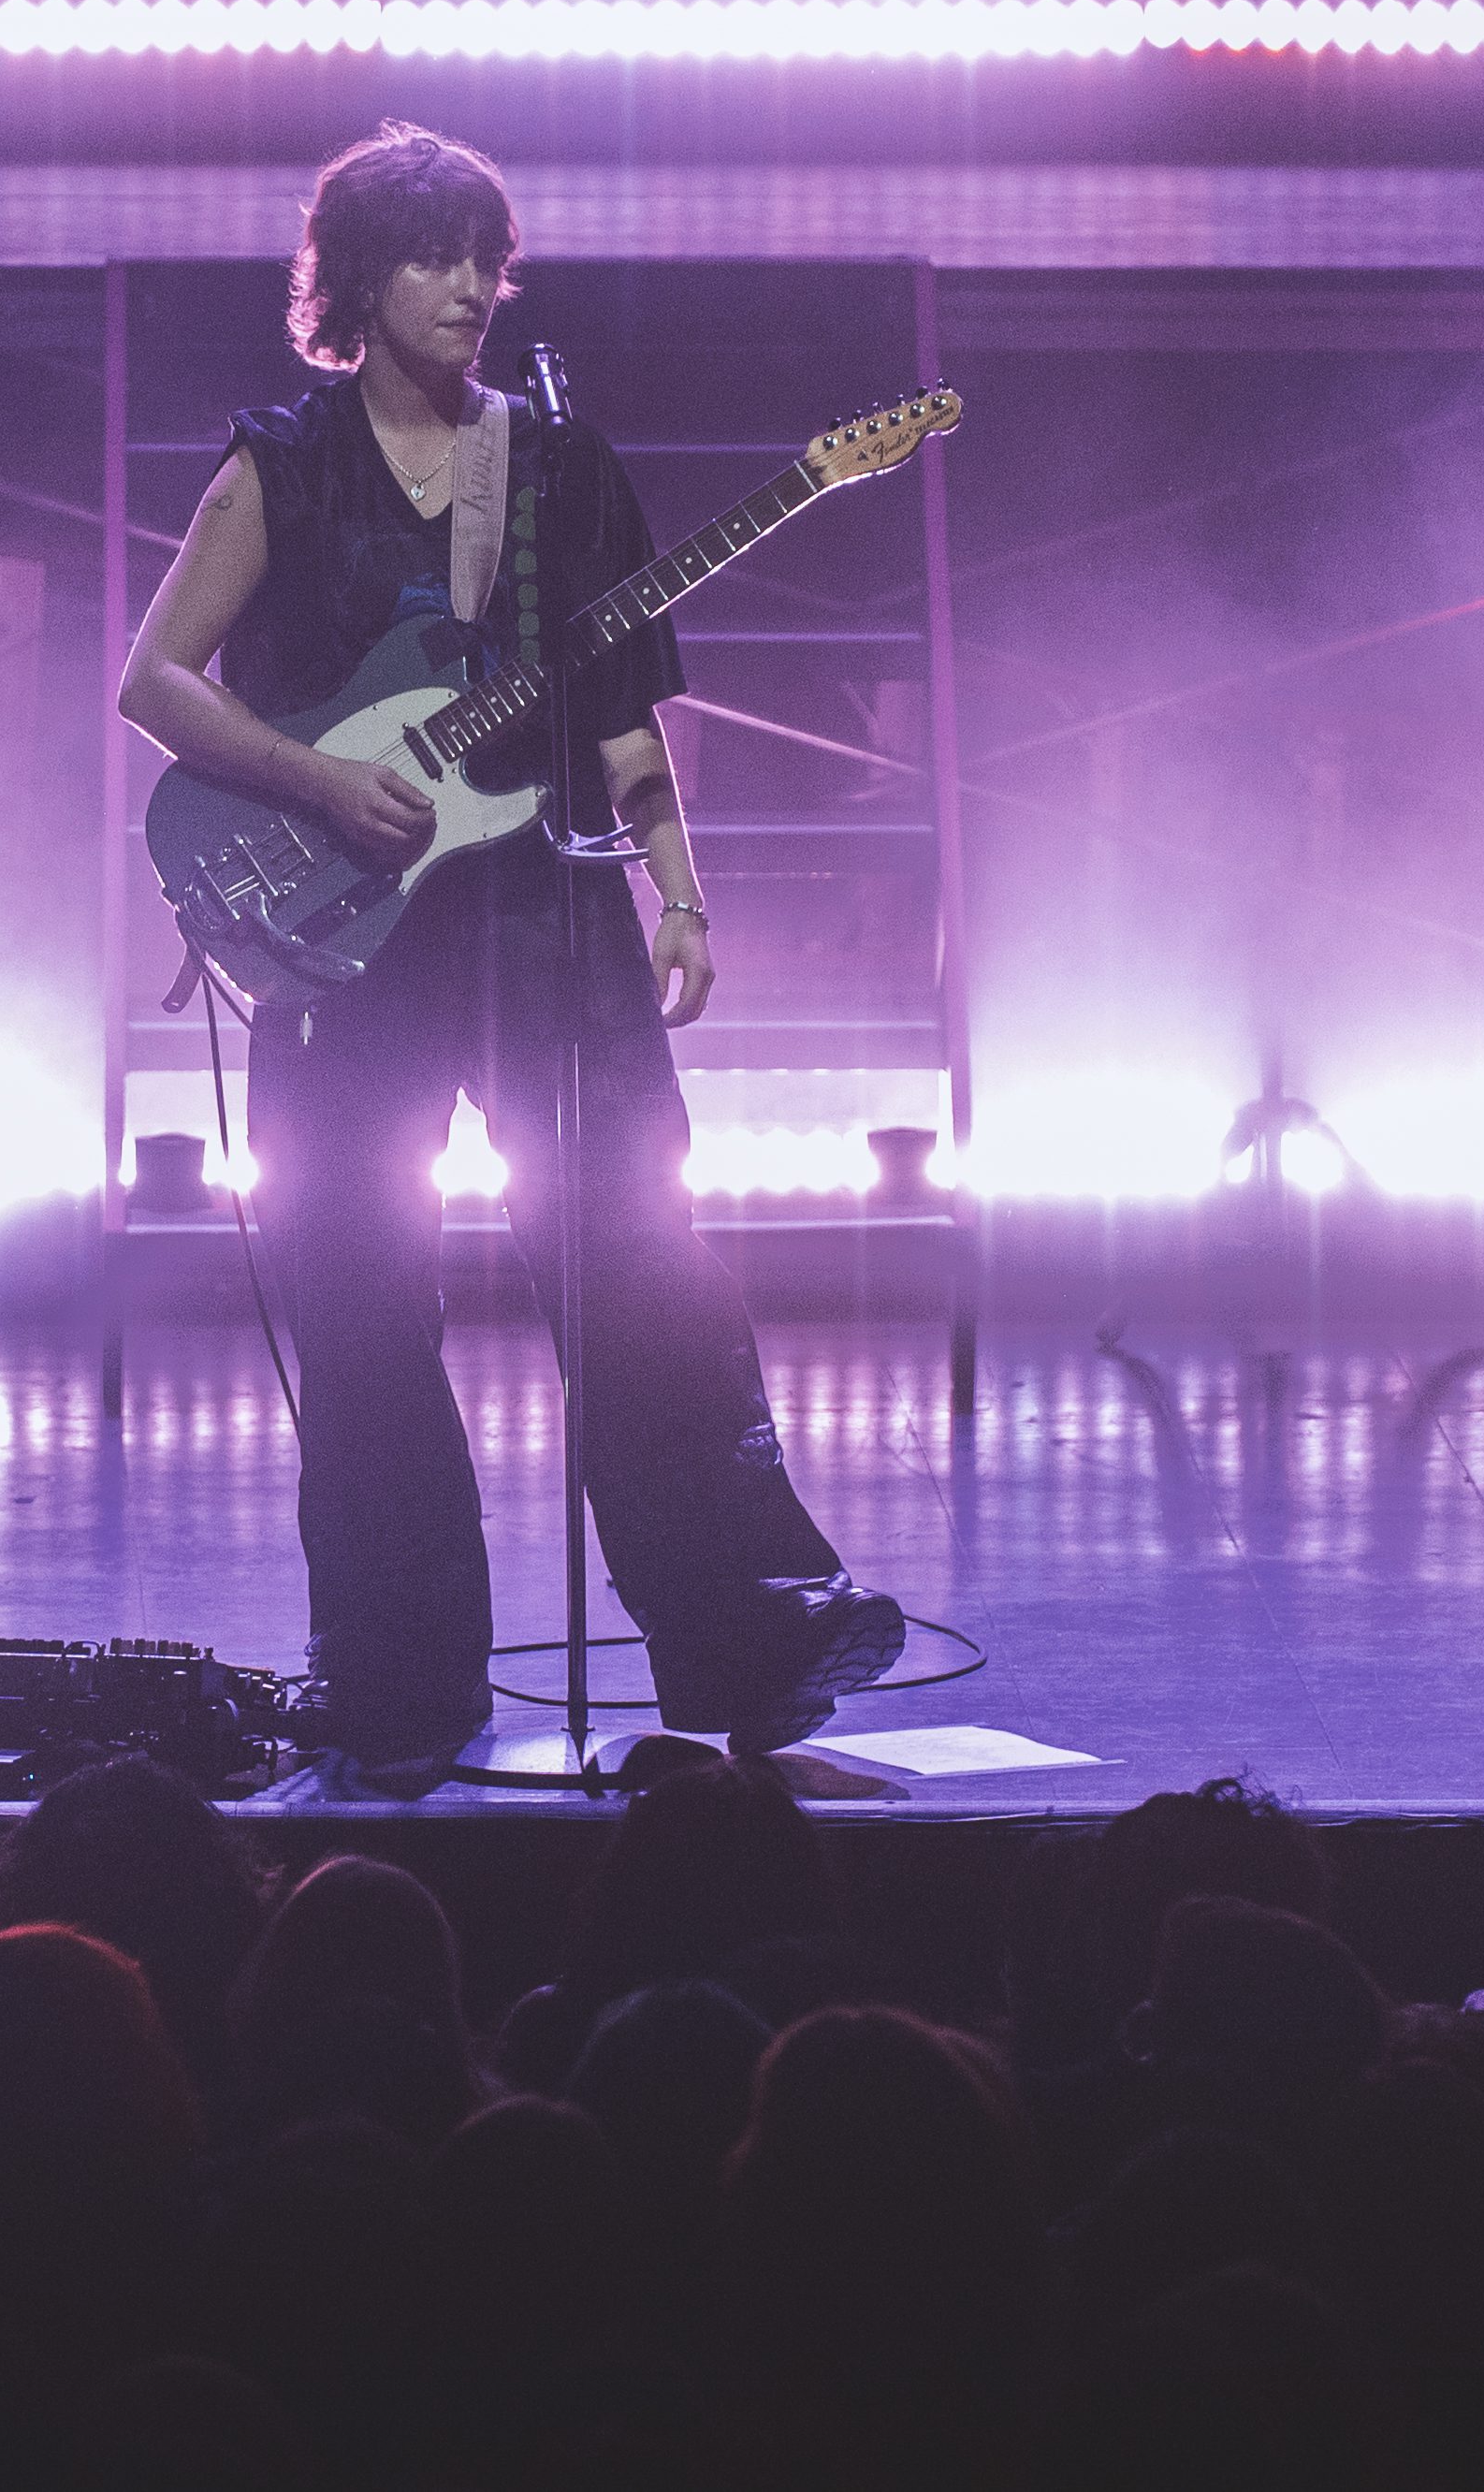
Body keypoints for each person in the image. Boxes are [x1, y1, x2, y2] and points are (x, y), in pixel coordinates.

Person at [112, 124, 904, 1782]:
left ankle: (748, 1631)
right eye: (434, 257)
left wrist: (679, 889)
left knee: (643, 1264)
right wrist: (317, 775)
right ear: (353, 281)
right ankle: (400, 1681)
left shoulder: (557, 468)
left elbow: (619, 713)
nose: (472, 287)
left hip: (546, 910)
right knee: (357, 1294)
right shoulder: (283, 464)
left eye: (489, 256)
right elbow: (157, 680)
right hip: (343, 931)